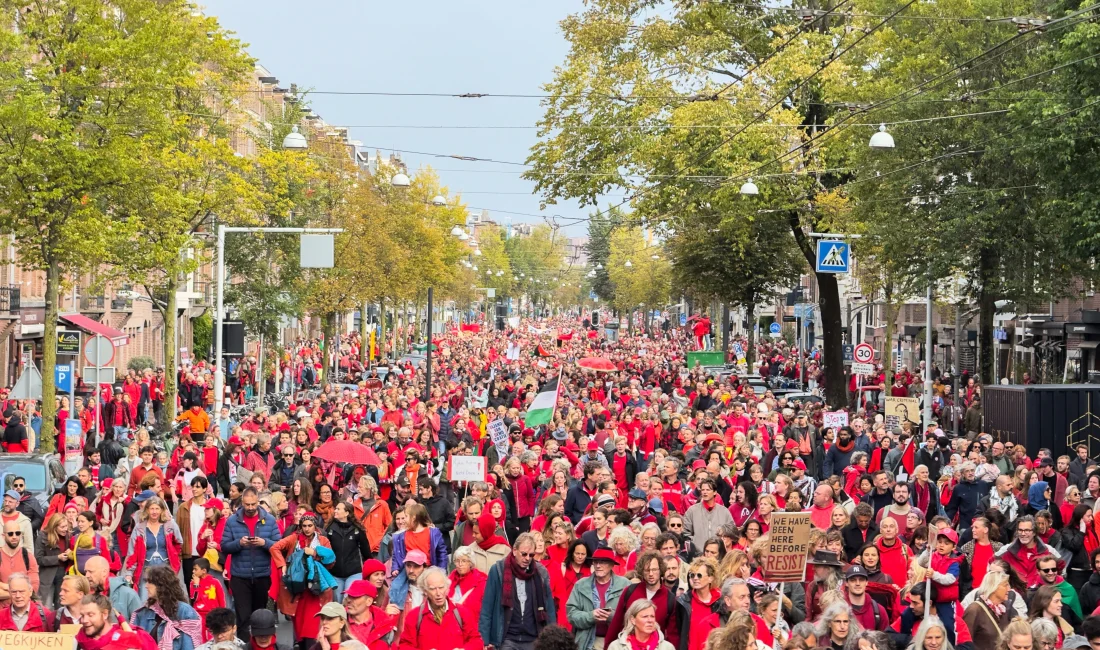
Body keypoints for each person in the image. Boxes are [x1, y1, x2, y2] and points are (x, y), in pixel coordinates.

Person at [219, 487, 280, 640]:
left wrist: (264, 543)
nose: (251, 508)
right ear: (242, 503)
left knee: (259, 616)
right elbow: (224, 546)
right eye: (247, 505)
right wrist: (239, 543)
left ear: (258, 501)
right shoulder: (232, 521)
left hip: (262, 575)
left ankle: (260, 645)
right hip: (240, 576)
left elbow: (279, 546)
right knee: (243, 617)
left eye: (253, 504)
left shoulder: (270, 520)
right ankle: (245, 644)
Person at [270, 512, 337, 649]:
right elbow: (274, 547)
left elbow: (331, 562)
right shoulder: (294, 538)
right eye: (304, 525)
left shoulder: (323, 540)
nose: (307, 528)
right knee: (299, 626)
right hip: (298, 590)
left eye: (310, 525)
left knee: (312, 627)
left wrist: (314, 554)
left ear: (315, 526)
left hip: (316, 589)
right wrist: (282, 565)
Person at [604, 551, 679, 649]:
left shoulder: (670, 598)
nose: (651, 574)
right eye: (647, 570)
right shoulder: (630, 591)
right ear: (642, 572)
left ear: (661, 570)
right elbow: (616, 623)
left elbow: (672, 634)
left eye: (654, 569)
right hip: (627, 645)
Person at [397, 567, 482, 650]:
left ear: (447, 587)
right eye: (432, 589)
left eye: (441, 587)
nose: (438, 593)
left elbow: (476, 641)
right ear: (425, 591)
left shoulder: (462, 613)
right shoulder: (414, 616)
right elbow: (404, 645)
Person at [567, 548, 629, 650]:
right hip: (588, 642)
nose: (598, 566)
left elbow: (633, 615)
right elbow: (571, 614)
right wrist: (591, 616)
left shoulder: (625, 585)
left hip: (617, 642)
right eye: (595, 562)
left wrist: (612, 616)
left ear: (612, 565)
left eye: (603, 562)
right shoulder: (581, 585)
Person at [132, 564, 204, 650]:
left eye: (150, 582)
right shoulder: (143, 613)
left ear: (161, 585)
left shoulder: (185, 612)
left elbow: (189, 646)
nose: (146, 586)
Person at [325, 501, 373, 603]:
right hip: (335, 573)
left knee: (348, 599)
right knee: (337, 601)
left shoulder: (357, 530)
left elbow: (366, 552)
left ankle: (349, 619)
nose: (335, 511)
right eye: (336, 508)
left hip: (353, 572)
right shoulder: (329, 529)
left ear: (347, 513)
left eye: (338, 509)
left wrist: (370, 569)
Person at [962, 569, 1012, 650]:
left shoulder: (1004, 610)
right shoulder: (974, 610)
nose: (1009, 589)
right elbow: (964, 643)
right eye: (1005, 585)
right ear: (994, 587)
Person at [342, 580, 398, 650]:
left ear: (369, 601)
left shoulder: (385, 625)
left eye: (355, 597)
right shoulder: (338, 621)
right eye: (349, 596)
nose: (349, 600)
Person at [76, 593, 145, 650]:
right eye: (82, 615)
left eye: (90, 615)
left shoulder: (125, 637)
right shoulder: (78, 640)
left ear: (105, 614)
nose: (84, 620)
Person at [681, 478, 733, 551]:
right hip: (698, 555)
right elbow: (685, 533)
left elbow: (732, 532)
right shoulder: (692, 511)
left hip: (719, 554)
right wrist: (695, 544)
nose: (705, 492)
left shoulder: (724, 511)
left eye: (708, 490)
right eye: (703, 490)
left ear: (715, 492)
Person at [605, 599, 676, 650]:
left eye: (652, 616)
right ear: (633, 620)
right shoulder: (616, 647)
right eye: (645, 616)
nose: (650, 620)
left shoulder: (667, 647)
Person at [842, 565, 888, 632]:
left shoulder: (879, 611)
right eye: (853, 580)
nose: (857, 583)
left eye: (861, 580)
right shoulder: (838, 609)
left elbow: (884, 639)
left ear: (866, 582)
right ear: (846, 583)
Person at [0, 520, 38, 601]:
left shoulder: (28, 556)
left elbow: (33, 588)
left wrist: (4, 586)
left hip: (24, 609)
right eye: (10, 534)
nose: (14, 536)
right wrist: (21, 591)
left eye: (17, 533)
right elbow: (27, 591)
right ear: (3, 536)